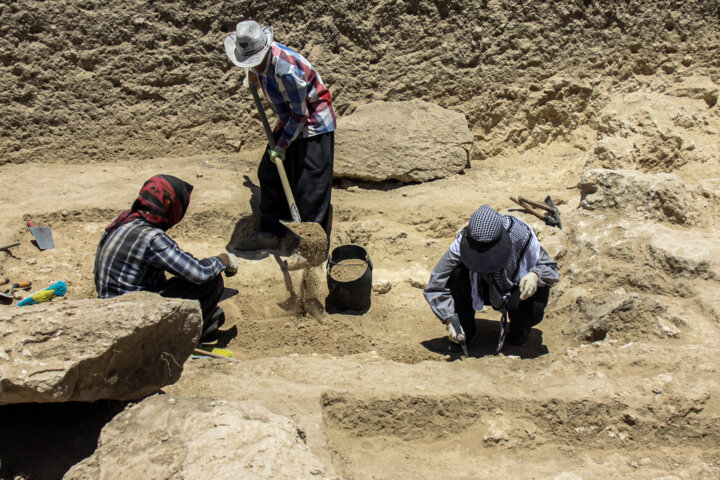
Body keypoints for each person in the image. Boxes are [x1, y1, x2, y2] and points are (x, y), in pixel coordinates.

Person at [224, 20, 336, 252]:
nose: (251, 65)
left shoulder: (286, 71)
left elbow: (300, 114)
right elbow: (256, 70)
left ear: (264, 51)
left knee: (310, 185)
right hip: (290, 118)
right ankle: (272, 232)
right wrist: (253, 77)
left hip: (313, 122)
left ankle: (312, 248)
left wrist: (282, 145)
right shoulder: (259, 62)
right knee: (269, 170)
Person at [94, 175, 238, 341]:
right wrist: (223, 260)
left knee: (210, 311)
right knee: (211, 282)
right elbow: (199, 273)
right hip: (131, 320)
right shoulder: (151, 237)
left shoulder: (124, 220)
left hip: (107, 309)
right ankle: (180, 339)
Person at [423, 204, 559, 351]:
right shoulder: (463, 242)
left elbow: (549, 268)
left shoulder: (521, 235)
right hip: (483, 287)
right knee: (456, 276)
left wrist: (535, 275)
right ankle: (464, 329)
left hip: (514, 288)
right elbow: (435, 284)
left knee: (534, 301)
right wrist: (450, 320)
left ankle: (519, 327)